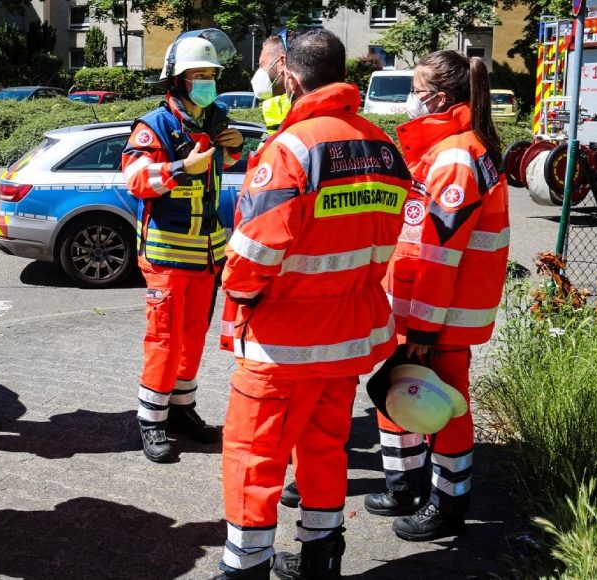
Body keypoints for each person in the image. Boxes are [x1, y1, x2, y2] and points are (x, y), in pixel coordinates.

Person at [215, 30, 412, 580]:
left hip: (283, 342)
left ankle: (245, 565)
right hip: (347, 337)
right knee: (325, 450)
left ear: (293, 78)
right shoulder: (383, 145)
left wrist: (242, 301)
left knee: (255, 456)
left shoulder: (291, 149)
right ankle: (321, 559)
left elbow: (252, 254)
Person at [365, 49, 510, 541]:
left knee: (446, 409)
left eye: (414, 90)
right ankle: (403, 484)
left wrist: (424, 329)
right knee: (397, 393)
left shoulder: (455, 158)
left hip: (439, 316)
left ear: (439, 98)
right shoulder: (447, 149)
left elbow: (439, 256)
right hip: (417, 309)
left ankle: (447, 503)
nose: (409, 100)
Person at [121, 30, 244, 463]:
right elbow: (135, 181)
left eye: (212, 73)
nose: (207, 81)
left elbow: (218, 171)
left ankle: (181, 409)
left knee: (193, 339)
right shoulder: (153, 125)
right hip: (167, 255)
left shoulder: (216, 118)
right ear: (176, 79)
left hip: (207, 255)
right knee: (164, 339)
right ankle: (151, 421)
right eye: (198, 74)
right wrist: (178, 167)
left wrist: (234, 149)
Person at [250, 29, 294, 134]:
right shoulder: (274, 105)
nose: (259, 71)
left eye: (262, 65)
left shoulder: (303, 112)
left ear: (282, 62)